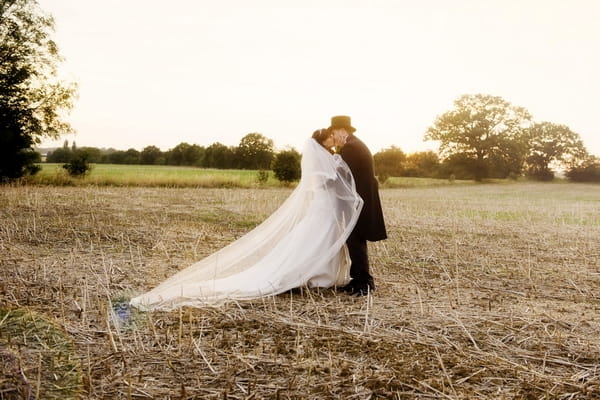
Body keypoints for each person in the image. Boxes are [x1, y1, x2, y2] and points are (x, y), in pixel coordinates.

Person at [130, 129, 363, 311]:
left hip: (323, 205)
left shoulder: (327, 155)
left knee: (320, 236)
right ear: (322, 142)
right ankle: (306, 275)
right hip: (322, 204)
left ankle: (319, 275)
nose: (334, 141)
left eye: (335, 138)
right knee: (317, 237)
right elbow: (325, 182)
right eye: (331, 139)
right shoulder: (320, 157)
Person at [329, 115, 387, 296]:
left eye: (334, 133)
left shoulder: (351, 148)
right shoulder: (354, 144)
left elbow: (339, 175)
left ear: (341, 130)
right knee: (354, 238)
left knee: (356, 239)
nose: (334, 138)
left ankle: (365, 282)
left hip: (360, 200)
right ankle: (358, 280)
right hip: (360, 198)